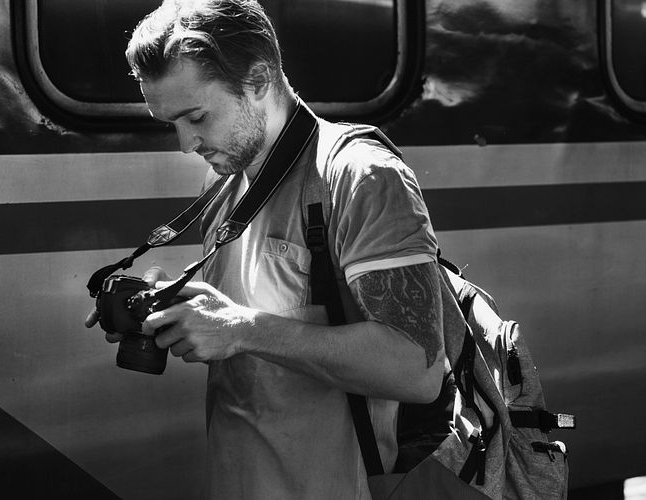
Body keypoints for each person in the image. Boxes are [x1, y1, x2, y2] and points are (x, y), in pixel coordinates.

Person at [84, 0, 446, 498]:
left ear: (257, 80)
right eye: (171, 123)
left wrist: (241, 330)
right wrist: (179, 310)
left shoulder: (361, 176)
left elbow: (417, 369)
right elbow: (238, 322)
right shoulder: (226, 184)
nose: (185, 144)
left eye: (196, 116)